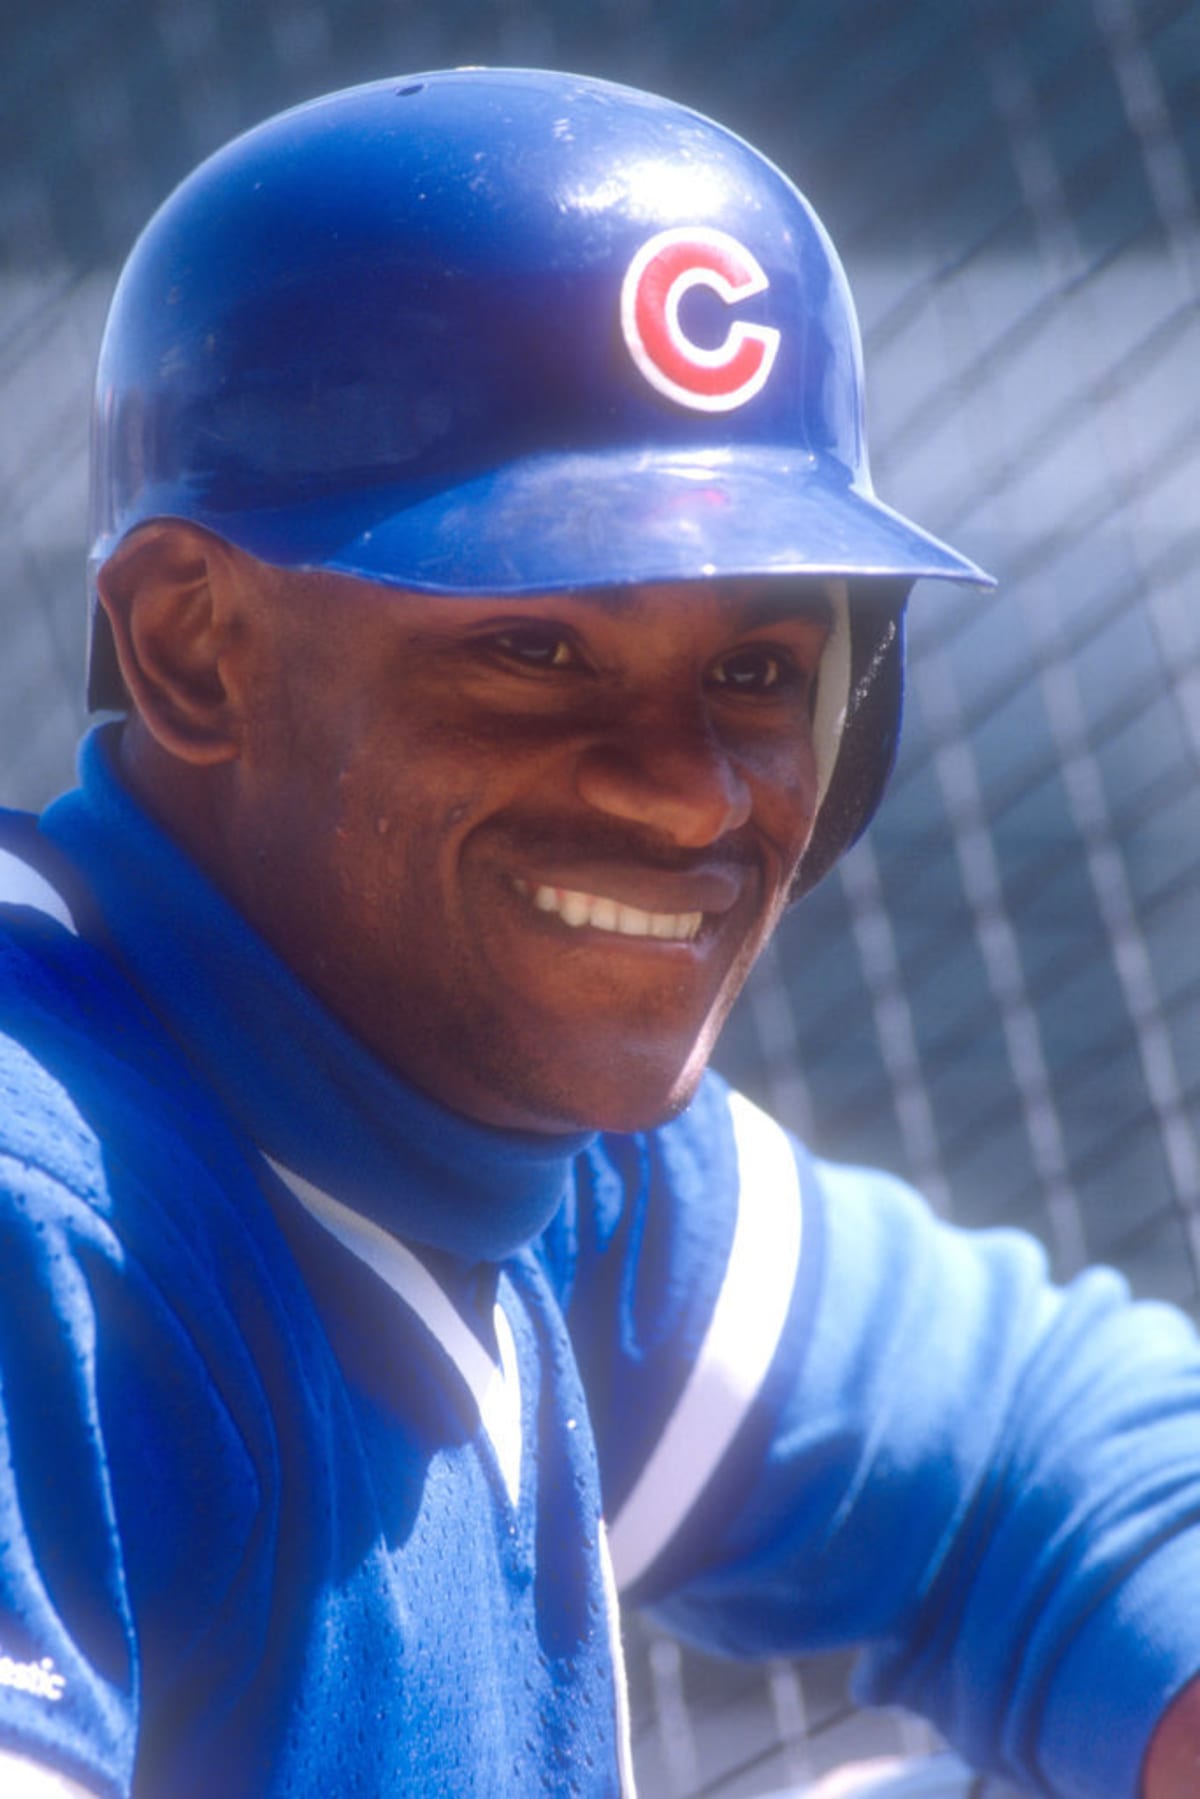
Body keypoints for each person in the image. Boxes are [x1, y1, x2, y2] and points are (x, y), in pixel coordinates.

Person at [1, 67, 1198, 1799]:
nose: (686, 795)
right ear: (196, 647)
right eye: (537, 649)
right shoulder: (51, 1222)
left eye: (756, 674)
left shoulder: (477, 1121)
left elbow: (1046, 1449)